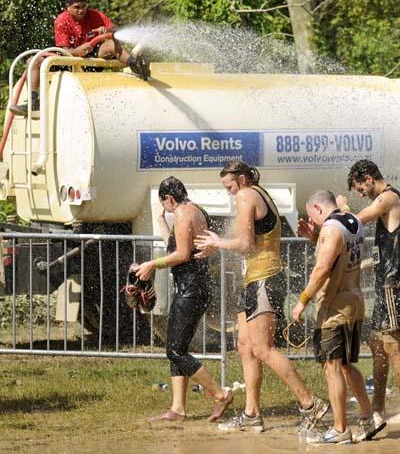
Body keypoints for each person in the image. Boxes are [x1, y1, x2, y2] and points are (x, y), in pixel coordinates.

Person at [195, 160, 328, 434]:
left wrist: (216, 243)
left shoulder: (247, 195)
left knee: (263, 349)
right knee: (245, 345)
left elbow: (245, 243)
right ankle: (252, 412)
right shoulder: (258, 192)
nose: (229, 192)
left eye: (229, 186)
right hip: (255, 278)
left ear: (242, 179)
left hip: (264, 278)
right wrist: (218, 243)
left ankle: (310, 403)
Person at [135, 176, 232, 422]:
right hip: (196, 288)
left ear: (169, 198)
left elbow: (181, 253)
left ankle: (220, 394)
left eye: (163, 205)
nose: (165, 209)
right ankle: (178, 408)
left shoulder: (181, 213)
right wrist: (159, 219)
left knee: (175, 350)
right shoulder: (196, 210)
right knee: (177, 345)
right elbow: (175, 245)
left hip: (191, 289)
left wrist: (151, 264)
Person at [292, 190, 384, 444]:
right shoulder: (352, 221)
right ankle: (368, 417)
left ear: (318, 209)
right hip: (354, 303)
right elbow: (337, 257)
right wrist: (314, 238)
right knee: (343, 365)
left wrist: (302, 301)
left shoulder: (331, 228)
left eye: (313, 217)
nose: (314, 223)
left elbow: (322, 268)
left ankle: (340, 429)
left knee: (332, 367)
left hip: (335, 306)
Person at [338, 159, 400, 424]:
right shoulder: (386, 198)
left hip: (393, 282)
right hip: (386, 281)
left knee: (393, 346)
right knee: (376, 344)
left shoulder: (388, 197)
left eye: (360, 188)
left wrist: (342, 209)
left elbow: (357, 220)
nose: (362, 194)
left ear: (369, 178)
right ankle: (379, 407)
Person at [10, 0, 150, 116]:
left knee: (111, 44)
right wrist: (76, 51)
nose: (81, 10)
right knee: (32, 61)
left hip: (91, 60)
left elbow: (116, 31)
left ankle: (135, 64)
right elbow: (63, 51)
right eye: (76, 7)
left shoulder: (96, 15)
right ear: (68, 7)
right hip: (68, 60)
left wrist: (109, 31)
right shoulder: (61, 20)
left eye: (83, 7)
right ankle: (33, 103)